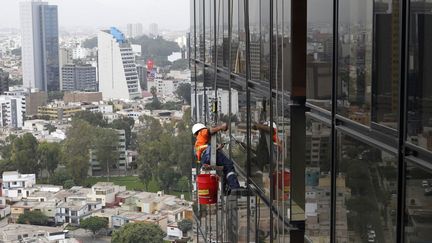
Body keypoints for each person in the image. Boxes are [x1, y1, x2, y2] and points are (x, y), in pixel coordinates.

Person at [192, 123, 240, 190]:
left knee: (224, 169)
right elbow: (210, 131)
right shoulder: (202, 132)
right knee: (229, 165)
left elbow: (205, 153)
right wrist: (221, 127)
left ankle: (226, 189)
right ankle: (235, 188)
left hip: (205, 160)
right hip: (208, 154)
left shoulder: (198, 143)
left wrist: (218, 148)